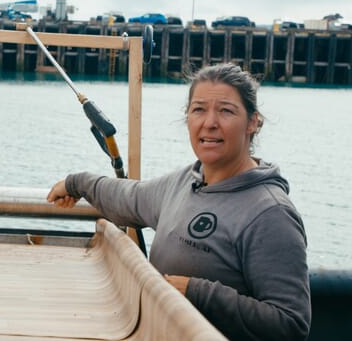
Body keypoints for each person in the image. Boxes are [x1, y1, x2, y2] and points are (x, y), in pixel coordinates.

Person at [47, 63, 311, 340]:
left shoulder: (270, 214)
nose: (209, 122)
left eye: (226, 110)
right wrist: (77, 183)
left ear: (253, 122)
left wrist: (194, 292)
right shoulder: (185, 182)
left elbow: (291, 325)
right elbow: (129, 197)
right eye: (198, 109)